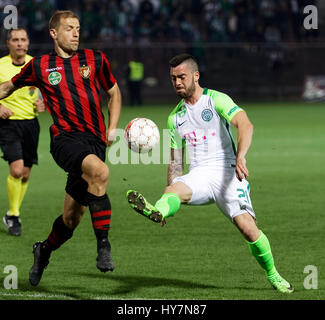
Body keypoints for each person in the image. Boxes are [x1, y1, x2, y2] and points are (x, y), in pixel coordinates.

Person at [127, 53, 293, 294]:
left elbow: (245, 124)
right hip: (200, 175)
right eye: (173, 78)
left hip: (228, 172)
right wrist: (169, 192)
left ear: (196, 75)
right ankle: (158, 211)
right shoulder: (175, 117)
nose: (177, 83)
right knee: (174, 190)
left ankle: (273, 274)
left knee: (248, 229)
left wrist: (241, 156)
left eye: (181, 77)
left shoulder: (216, 100)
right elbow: (175, 160)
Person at [0, 10, 122, 286]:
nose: (76, 33)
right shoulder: (40, 65)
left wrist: (112, 127)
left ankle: (43, 251)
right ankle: (103, 245)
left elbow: (113, 92)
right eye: (69, 28)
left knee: (70, 219)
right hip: (65, 140)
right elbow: (8, 87)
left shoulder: (95, 59)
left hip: (94, 143)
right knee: (100, 173)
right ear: (54, 33)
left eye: (78, 28)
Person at [0, 28, 45, 236]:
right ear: (8, 44)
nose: (19, 43)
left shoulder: (35, 64)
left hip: (31, 124)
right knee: (16, 170)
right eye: (15, 40)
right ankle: (15, 215)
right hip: (8, 124)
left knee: (25, 175)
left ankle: (11, 214)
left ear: (28, 43)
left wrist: (41, 103)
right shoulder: (0, 65)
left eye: (23, 40)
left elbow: (44, 91)